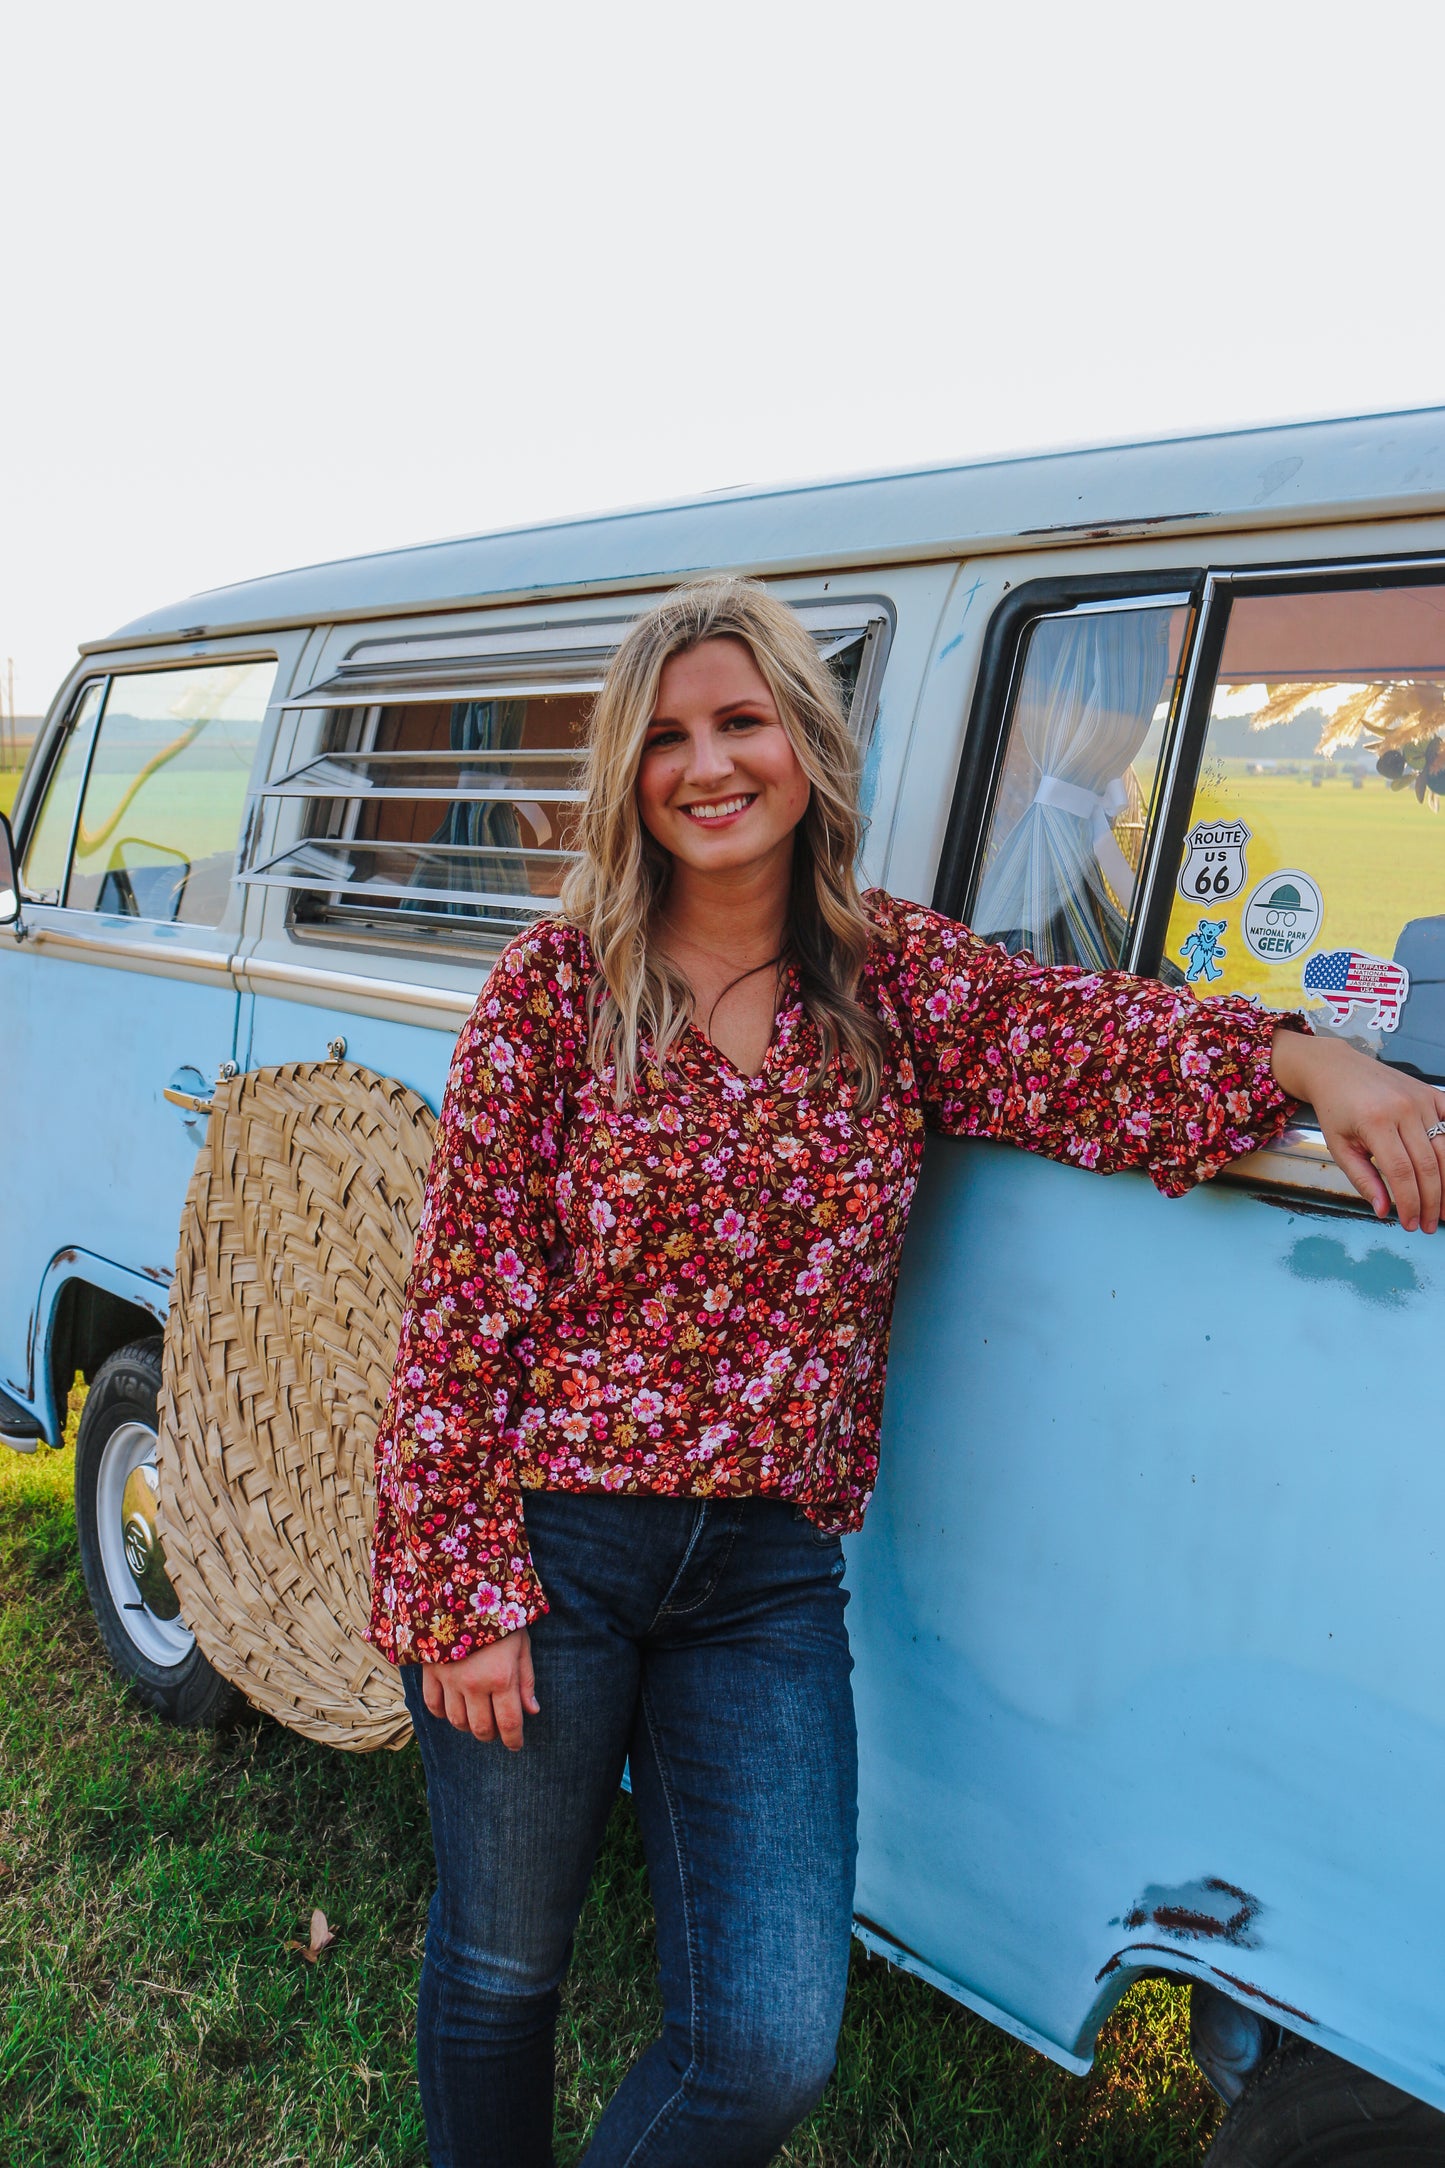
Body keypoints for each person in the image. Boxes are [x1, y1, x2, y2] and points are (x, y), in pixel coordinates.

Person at [367, 580, 1445, 2168]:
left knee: (763, 2041)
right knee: (500, 1959)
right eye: (665, 736)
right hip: (550, 1543)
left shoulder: (896, 981)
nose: (706, 764)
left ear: (805, 743)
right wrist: (459, 1583)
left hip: (763, 1576)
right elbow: (456, 1310)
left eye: (741, 722)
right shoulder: (552, 993)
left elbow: (1091, 1043)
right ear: (625, 773)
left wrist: (1308, 1057)